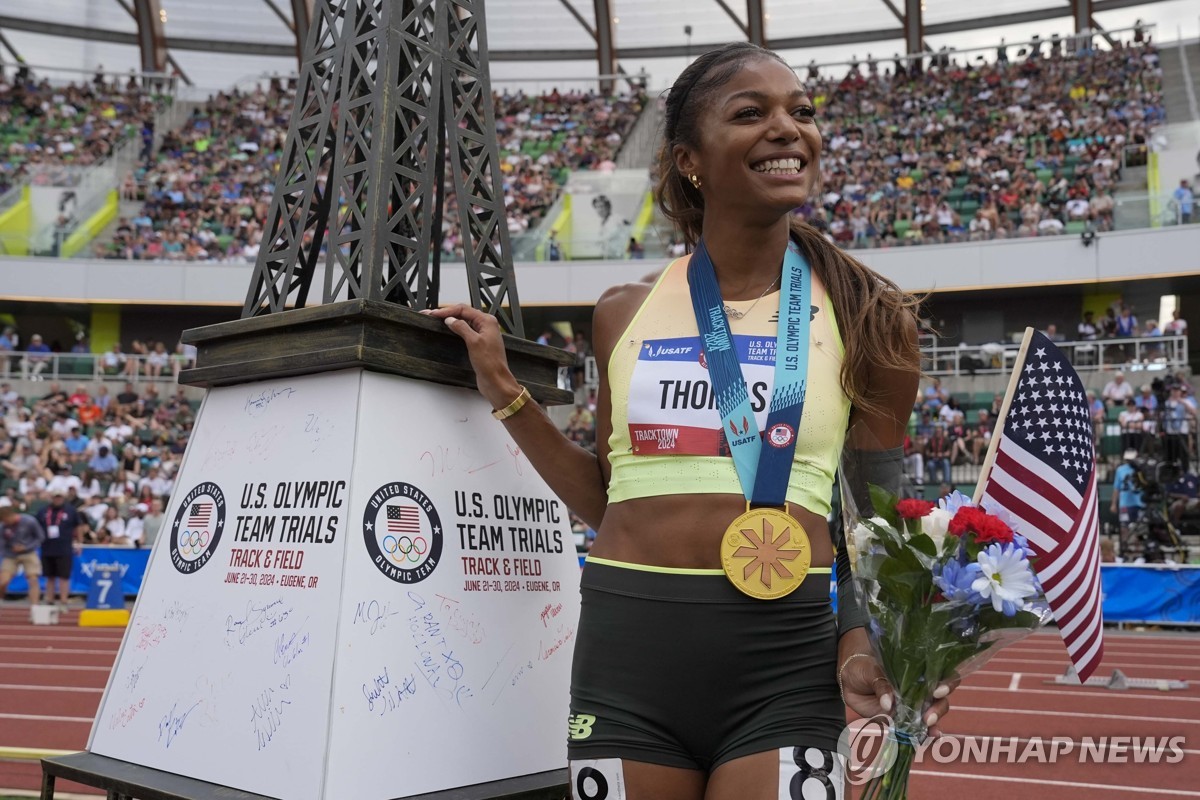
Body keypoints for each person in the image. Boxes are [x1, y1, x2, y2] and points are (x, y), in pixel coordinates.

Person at [423, 42, 955, 797]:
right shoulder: (622, 312)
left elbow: (874, 522)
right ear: (688, 160)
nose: (788, 128)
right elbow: (611, 498)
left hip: (785, 664)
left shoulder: (872, 319)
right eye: (751, 113)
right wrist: (508, 394)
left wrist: (864, 640)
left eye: (801, 112)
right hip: (627, 658)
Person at [35, 491, 86, 610]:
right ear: (52, 498)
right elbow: (36, 526)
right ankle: (49, 600)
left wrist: (79, 542)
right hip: (47, 547)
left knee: (64, 576)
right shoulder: (43, 511)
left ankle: (63, 602)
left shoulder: (70, 510)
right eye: (55, 497)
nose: (57, 500)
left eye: (59, 497)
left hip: (64, 548)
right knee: (49, 576)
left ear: (63, 498)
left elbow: (78, 526)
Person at [1, 500, 46, 608]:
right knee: (3, 580)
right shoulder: (3, 526)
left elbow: (40, 537)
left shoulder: (29, 521)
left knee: (33, 579)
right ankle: (0, 598)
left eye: (6, 520)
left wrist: (26, 547)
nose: (5, 522)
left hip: (28, 553)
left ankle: (35, 606)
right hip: (10, 554)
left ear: (11, 515)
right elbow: (1, 542)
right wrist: (5, 552)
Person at [1110, 450, 1144, 551]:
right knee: (1124, 525)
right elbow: (1116, 488)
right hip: (1125, 502)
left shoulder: (1140, 469)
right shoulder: (1120, 470)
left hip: (1139, 502)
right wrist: (1113, 504)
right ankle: (1124, 546)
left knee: (1139, 526)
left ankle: (1137, 548)